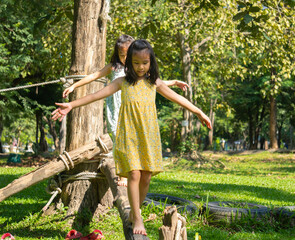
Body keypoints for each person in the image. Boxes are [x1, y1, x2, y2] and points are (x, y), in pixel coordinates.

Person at [52, 39, 212, 235]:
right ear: (129, 62)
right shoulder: (122, 82)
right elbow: (96, 95)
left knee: (146, 176)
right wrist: (72, 105)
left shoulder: (155, 83)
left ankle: (136, 211)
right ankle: (137, 217)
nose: (140, 67)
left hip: (149, 135)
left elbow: (177, 98)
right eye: (136, 63)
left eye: (145, 63)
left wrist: (199, 112)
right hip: (129, 134)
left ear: (151, 62)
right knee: (134, 174)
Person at [62, 34, 189, 187]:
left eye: (126, 54)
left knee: (134, 140)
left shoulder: (137, 67)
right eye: (121, 54)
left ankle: (130, 172)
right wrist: (74, 86)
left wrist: (174, 82)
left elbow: (155, 83)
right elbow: (95, 76)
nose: (124, 58)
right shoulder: (114, 67)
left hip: (133, 108)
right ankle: (123, 173)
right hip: (116, 105)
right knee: (116, 135)